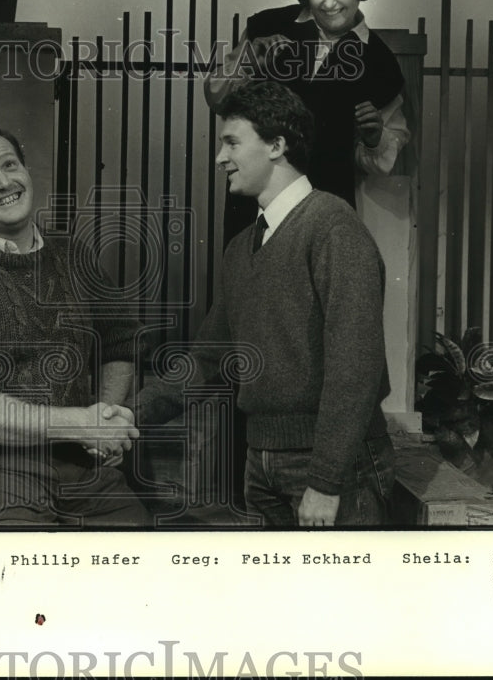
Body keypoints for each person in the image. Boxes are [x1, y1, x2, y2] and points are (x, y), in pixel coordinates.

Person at [139, 81, 396, 527]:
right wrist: (128, 415)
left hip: (329, 470)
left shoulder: (333, 227)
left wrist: (326, 480)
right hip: (261, 464)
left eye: (232, 142)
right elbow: (206, 359)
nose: (220, 157)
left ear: (276, 145)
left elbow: (355, 366)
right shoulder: (242, 248)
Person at [0, 126, 150, 528]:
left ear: (26, 170)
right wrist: (80, 425)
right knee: (22, 571)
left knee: (144, 559)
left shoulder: (73, 256)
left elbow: (120, 341)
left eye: (9, 164)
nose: (4, 182)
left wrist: (106, 417)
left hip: (80, 471)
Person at [204, 0, 410, 238]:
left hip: (326, 205)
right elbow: (216, 97)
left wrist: (374, 137)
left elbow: (382, 157)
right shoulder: (266, 28)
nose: (329, 2)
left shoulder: (381, 63)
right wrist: (249, 61)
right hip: (253, 203)